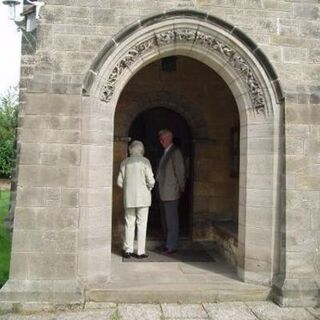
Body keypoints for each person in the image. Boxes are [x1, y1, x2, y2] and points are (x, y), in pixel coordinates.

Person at [117, 140, 155, 259]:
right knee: (142, 224)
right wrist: (149, 187)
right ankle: (140, 252)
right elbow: (151, 180)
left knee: (129, 223)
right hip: (143, 198)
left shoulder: (124, 162)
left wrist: (128, 189)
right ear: (141, 149)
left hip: (129, 198)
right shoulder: (145, 161)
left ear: (130, 149)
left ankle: (127, 250)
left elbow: (119, 182)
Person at [156, 129, 185, 254]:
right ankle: (167, 244)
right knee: (165, 221)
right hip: (163, 192)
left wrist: (181, 188)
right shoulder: (166, 152)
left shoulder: (175, 152)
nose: (161, 141)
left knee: (172, 221)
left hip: (171, 192)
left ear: (169, 139)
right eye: (160, 139)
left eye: (163, 139)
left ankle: (171, 246)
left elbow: (180, 172)